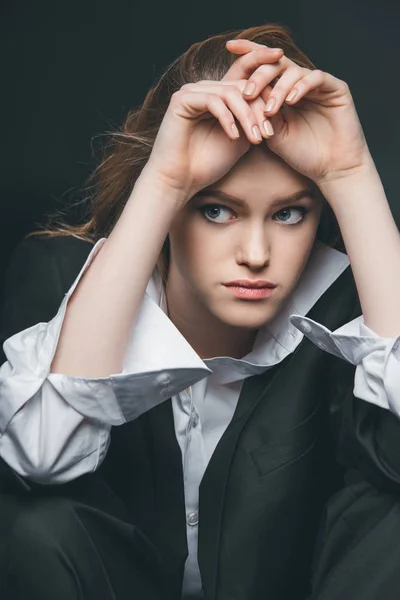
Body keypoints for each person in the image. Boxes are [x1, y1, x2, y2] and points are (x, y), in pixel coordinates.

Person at [0, 22, 400, 600]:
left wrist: (349, 173)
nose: (257, 255)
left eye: (289, 214)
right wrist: (165, 177)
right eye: (217, 210)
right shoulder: (59, 274)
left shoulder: (353, 308)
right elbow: (36, 460)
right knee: (35, 525)